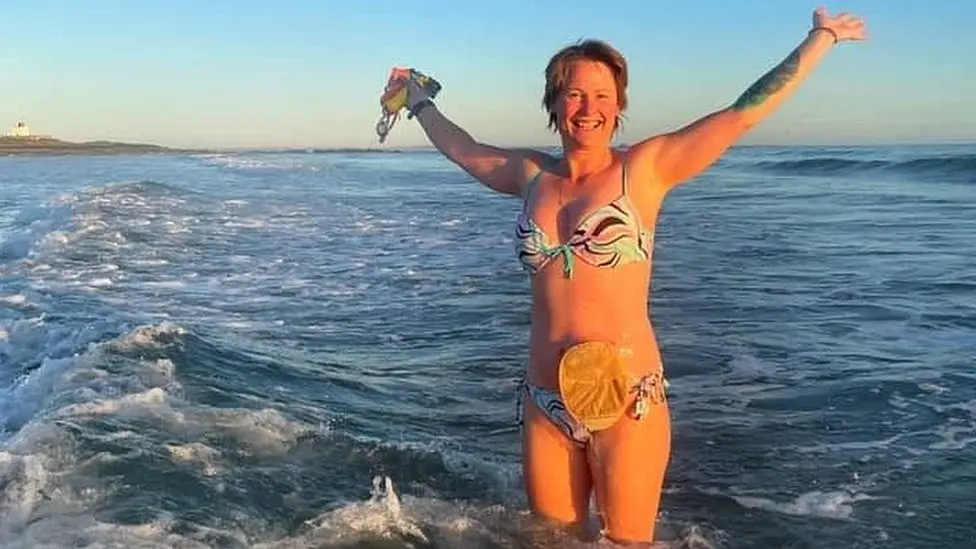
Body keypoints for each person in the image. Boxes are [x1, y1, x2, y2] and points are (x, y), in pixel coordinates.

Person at [402, 6, 867, 544]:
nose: (588, 107)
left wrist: (820, 39)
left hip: (628, 399)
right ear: (553, 103)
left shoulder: (644, 169)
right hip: (544, 399)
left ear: (619, 105)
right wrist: (416, 98)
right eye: (574, 93)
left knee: (627, 542)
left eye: (602, 95)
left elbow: (743, 113)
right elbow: (464, 150)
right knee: (552, 541)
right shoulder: (530, 176)